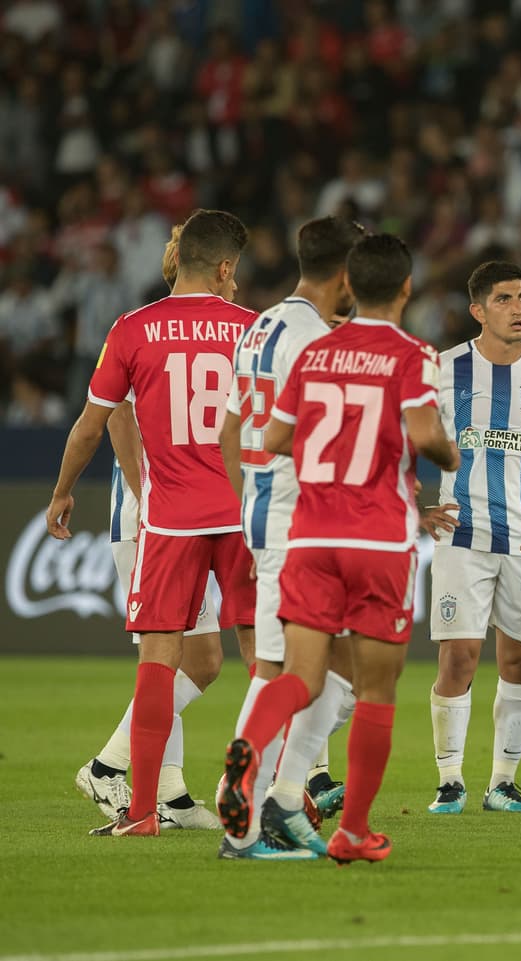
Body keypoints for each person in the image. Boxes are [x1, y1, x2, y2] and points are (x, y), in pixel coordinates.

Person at [218, 233, 459, 864]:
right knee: (375, 689)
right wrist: (447, 453)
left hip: (309, 533)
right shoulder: (415, 354)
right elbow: (424, 434)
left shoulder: (315, 351)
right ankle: (351, 829)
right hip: (378, 536)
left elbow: (269, 436)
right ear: (406, 288)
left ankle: (264, 776)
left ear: (353, 283)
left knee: (299, 673)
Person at [47, 208, 258, 837]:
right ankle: (262, 792)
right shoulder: (253, 329)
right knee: (262, 657)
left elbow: (93, 423)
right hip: (241, 514)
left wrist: (62, 493)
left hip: (169, 518)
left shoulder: (132, 329)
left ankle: (140, 813)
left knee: (158, 661)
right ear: (225, 269)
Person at [215, 216, 366, 860]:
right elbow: (318, 442)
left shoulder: (261, 325)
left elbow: (229, 428)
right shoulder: (313, 341)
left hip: (263, 511)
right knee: (284, 669)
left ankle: (280, 799)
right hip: (297, 522)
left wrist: (245, 499)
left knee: (343, 672)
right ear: (346, 274)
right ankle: (243, 814)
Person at [75, 222, 223, 831]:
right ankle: (110, 768)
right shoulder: (145, 331)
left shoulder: (167, 329)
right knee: (176, 655)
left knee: (196, 657)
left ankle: (168, 790)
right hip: (153, 513)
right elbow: (114, 422)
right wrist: (153, 499)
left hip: (185, 510)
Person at [421, 261, 521, 816]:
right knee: (459, 655)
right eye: (504, 299)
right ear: (478, 309)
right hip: (463, 535)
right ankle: (450, 780)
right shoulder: (442, 368)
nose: (518, 308)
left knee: (520, 662)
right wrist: (415, 503)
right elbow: (395, 432)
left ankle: (502, 782)